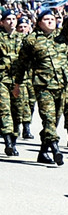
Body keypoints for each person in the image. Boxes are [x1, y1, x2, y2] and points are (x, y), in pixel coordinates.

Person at [13, 0, 68, 165]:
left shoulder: (62, 37)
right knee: (48, 117)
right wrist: (17, 84)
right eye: (46, 20)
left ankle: (43, 152)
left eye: (53, 20)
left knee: (54, 120)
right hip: (43, 86)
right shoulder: (31, 40)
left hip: (61, 85)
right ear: (39, 23)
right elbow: (22, 64)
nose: (50, 22)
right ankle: (55, 148)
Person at [0, 9, 19, 156]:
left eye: (14, 19)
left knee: (17, 112)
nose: (11, 21)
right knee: (4, 110)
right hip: (2, 80)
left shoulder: (23, 39)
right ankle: (8, 142)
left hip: (19, 81)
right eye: (8, 19)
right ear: (2, 22)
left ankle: (13, 141)